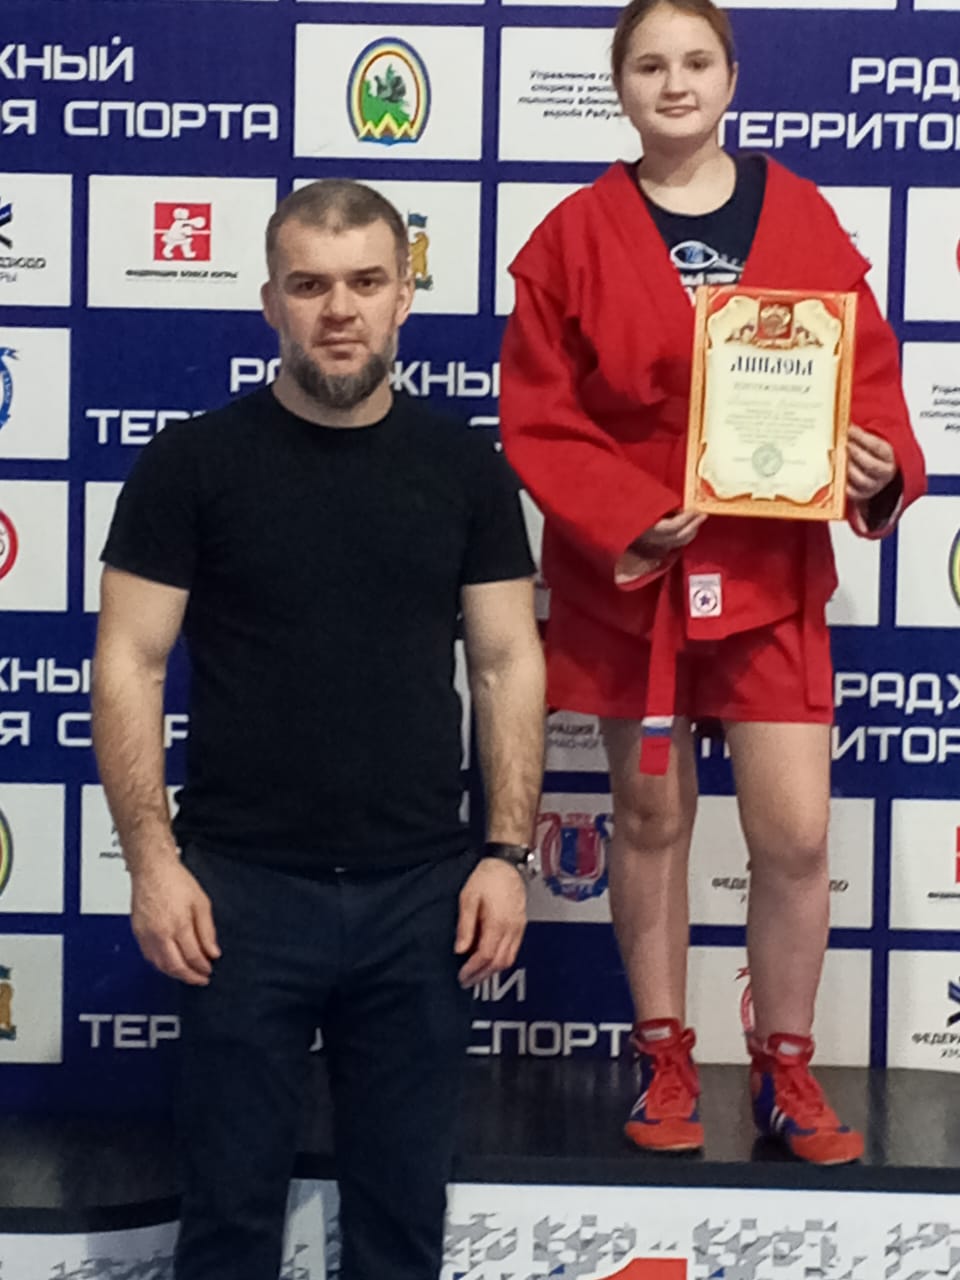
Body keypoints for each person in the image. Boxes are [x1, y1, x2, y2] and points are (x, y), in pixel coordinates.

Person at [91, 179, 545, 1280]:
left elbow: (505, 662)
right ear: (270, 304)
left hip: (422, 898)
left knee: (401, 1230)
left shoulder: (466, 469)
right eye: (309, 285)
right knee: (227, 1226)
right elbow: (129, 663)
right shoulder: (190, 464)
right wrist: (152, 862)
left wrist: (506, 852)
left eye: (364, 282)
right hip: (238, 895)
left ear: (403, 299)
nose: (338, 309)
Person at [499, 0, 925, 1165]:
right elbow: (539, 414)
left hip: (768, 569)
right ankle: (665, 1052)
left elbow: (868, 378)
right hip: (634, 573)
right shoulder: (574, 234)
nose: (674, 82)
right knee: (649, 817)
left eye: (696, 61)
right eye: (650, 64)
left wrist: (880, 463)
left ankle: (785, 1063)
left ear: (732, 77)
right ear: (620, 86)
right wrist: (626, 512)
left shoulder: (803, 214)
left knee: (794, 831)